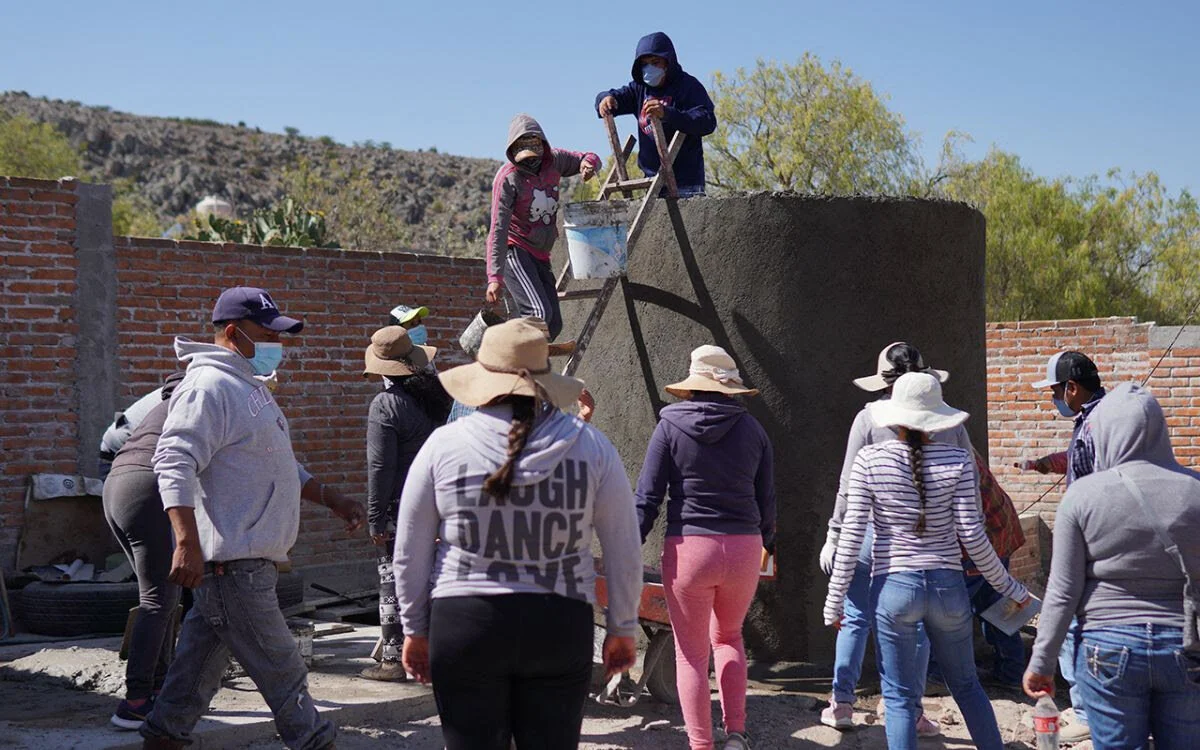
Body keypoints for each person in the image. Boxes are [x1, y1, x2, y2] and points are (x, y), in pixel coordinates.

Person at [393, 318, 643, 750]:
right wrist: (623, 626)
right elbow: (624, 546)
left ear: (483, 377)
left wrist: (414, 628)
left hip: (466, 623)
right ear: (547, 380)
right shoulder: (592, 446)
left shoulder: (443, 446)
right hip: (560, 625)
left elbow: (410, 548)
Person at [142, 287, 366, 750]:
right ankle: (316, 742)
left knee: (193, 675)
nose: (277, 346)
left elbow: (277, 465)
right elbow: (173, 460)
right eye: (268, 335)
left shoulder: (248, 388)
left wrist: (332, 498)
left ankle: (162, 737)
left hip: (243, 568)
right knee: (285, 671)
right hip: (232, 567)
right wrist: (186, 542)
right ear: (232, 332)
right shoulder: (208, 387)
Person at [824, 372, 1030, 750]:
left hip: (894, 590)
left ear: (894, 414)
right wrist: (1012, 589)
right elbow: (974, 537)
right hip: (949, 588)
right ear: (938, 418)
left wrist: (834, 600)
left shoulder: (869, 459)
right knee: (967, 686)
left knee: (900, 698)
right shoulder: (958, 460)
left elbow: (852, 535)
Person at [1024, 383, 1200, 749]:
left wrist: (1042, 661)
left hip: (1107, 647)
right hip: (1186, 645)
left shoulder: (1083, 496)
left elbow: (1063, 591)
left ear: (1102, 431)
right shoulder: (1195, 489)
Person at [819, 342, 969, 735]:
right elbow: (974, 480)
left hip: (869, 534)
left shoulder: (867, 418)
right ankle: (910, 709)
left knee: (854, 618)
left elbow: (848, 486)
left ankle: (842, 704)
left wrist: (835, 534)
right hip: (932, 545)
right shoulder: (950, 421)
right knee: (916, 626)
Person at [635, 345, 775, 750]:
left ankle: (701, 744)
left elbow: (647, 497)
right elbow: (767, 500)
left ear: (693, 386)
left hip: (689, 551)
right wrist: (769, 542)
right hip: (744, 548)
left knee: (691, 654)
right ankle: (736, 734)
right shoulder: (754, 431)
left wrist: (629, 545)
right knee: (729, 637)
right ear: (730, 388)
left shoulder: (668, 426)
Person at [1018, 349, 1106, 742]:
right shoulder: (1094, 420)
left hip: (1090, 542)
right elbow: (1074, 459)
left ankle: (1086, 711)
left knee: (1070, 623)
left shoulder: (1097, 425)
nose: (1054, 399)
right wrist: (1041, 464)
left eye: (1055, 391)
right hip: (1093, 542)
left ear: (1072, 388)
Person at [360, 326, 450, 681]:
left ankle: (394, 661)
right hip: (440, 503)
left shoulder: (385, 405)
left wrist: (375, 517)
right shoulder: (436, 397)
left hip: (402, 507)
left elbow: (380, 467)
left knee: (393, 579)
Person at [102, 371, 184, 729]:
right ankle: (135, 701)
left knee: (163, 594)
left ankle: (156, 687)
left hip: (118, 484)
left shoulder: (165, 401)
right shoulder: (202, 398)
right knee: (158, 599)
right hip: (146, 486)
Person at [484, 115, 600, 340]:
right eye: (524, 159)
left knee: (554, 324)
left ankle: (516, 350)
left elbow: (589, 156)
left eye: (533, 158)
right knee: (538, 314)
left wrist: (589, 165)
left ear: (543, 149)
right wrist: (494, 277)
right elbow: (498, 229)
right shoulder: (507, 179)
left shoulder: (556, 161)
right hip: (515, 249)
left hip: (540, 254)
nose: (530, 163)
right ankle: (519, 361)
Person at [595, 31, 717, 196]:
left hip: (685, 185)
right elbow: (614, 97)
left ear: (668, 62)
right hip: (653, 184)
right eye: (644, 64)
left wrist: (668, 114)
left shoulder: (688, 86)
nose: (649, 68)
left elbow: (707, 121)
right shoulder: (639, 89)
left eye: (655, 62)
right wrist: (605, 99)